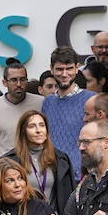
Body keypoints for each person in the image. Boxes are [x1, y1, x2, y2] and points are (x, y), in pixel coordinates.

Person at [4, 110, 75, 212]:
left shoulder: (60, 159)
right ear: (23, 131)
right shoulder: (11, 160)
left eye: (42, 125)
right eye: (32, 126)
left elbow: (68, 196)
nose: (38, 130)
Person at [42, 46, 94, 178]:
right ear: (51, 69)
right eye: (59, 69)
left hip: (82, 178)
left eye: (69, 68)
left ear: (77, 68)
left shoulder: (91, 100)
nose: (64, 74)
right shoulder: (48, 102)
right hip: (52, 175)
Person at [0, 59, 34, 156]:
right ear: (4, 82)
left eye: (22, 79)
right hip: (6, 166)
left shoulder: (40, 103)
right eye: (14, 80)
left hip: (36, 165)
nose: (18, 84)